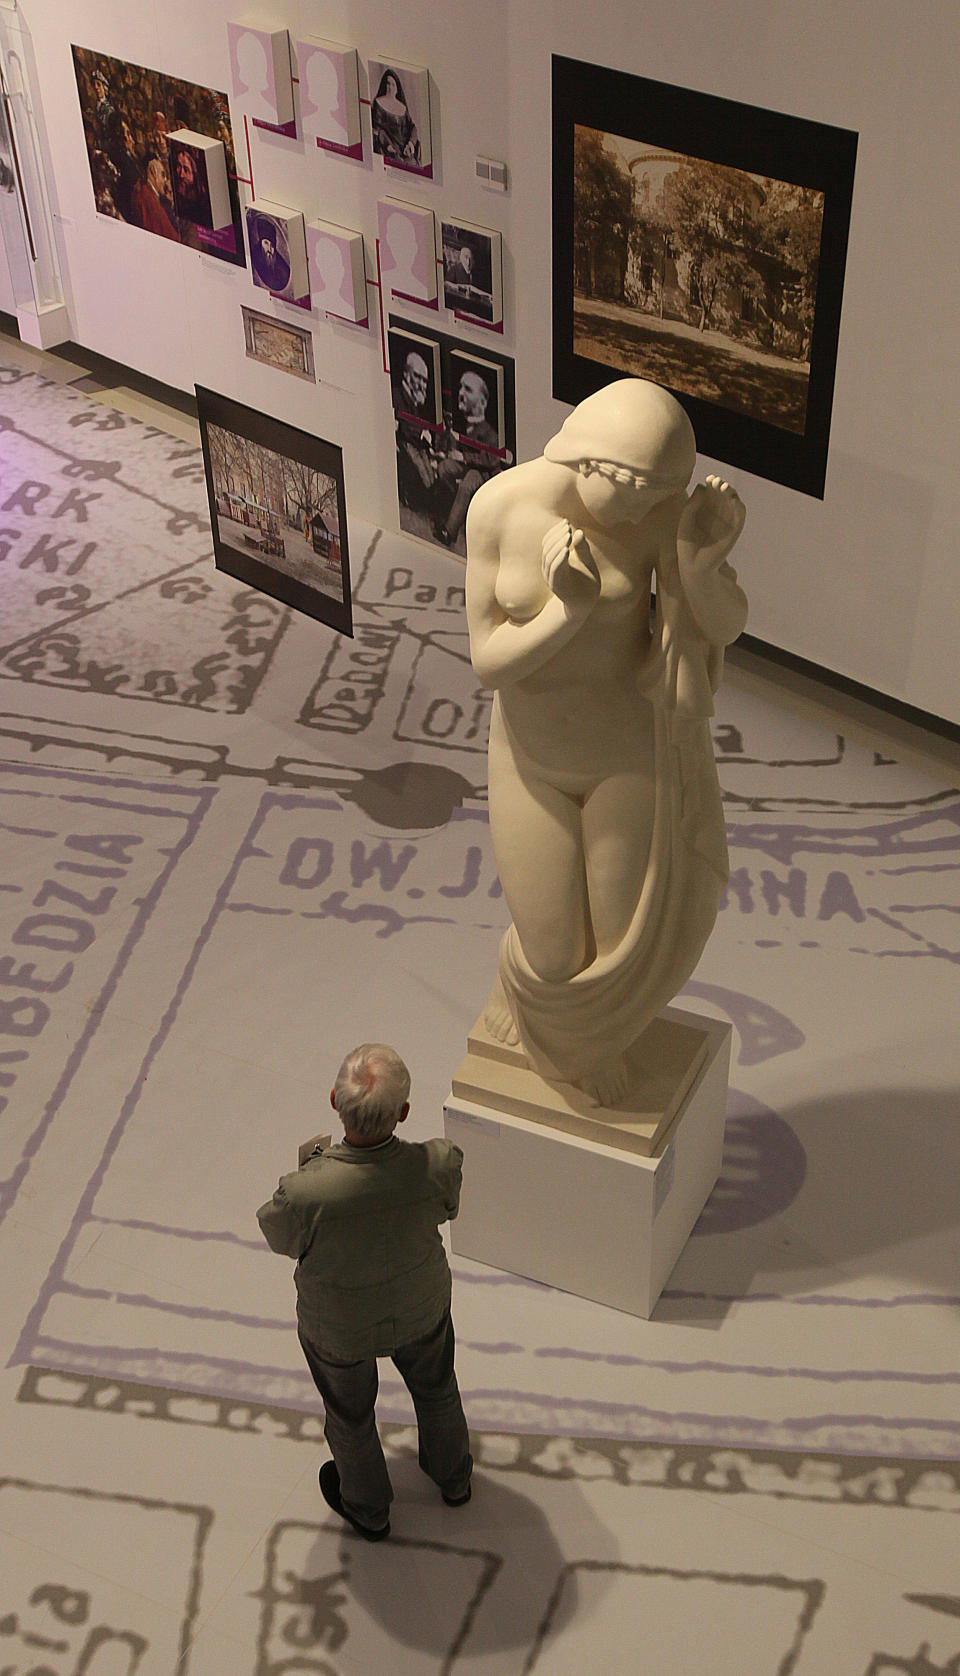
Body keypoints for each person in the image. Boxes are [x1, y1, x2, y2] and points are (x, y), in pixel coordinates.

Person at [465, 378, 748, 1106]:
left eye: (663, 494)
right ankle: (525, 994)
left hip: (626, 757)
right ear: (589, 463)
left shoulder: (653, 520)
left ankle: (583, 1047)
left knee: (625, 945)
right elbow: (488, 662)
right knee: (556, 955)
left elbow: (717, 626)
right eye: (638, 491)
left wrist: (702, 562)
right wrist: (568, 611)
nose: (651, 509)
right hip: (532, 758)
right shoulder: (501, 507)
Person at [257, 1044, 472, 1541]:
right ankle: (454, 1478)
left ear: (335, 1100)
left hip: (340, 1325)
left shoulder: (305, 1191)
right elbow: (447, 1208)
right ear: (403, 1113)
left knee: (350, 1416)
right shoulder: (438, 1163)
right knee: (438, 1387)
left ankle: (369, 1509)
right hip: (421, 1305)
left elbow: (280, 1238)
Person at [434, 370, 503, 548]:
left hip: (484, 473)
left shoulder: (490, 434)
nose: (461, 394)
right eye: (461, 388)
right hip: (466, 467)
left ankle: (449, 532)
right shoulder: (462, 423)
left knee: (468, 482)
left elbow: (491, 461)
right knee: (444, 468)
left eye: (468, 389)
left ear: (482, 402)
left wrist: (463, 456)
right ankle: (460, 513)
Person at [371, 69, 420, 164]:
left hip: (406, 149)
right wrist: (388, 145)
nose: (390, 87)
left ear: (397, 88)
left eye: (393, 84)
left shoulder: (402, 107)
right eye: (388, 83)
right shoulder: (378, 103)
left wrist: (410, 144)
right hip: (388, 149)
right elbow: (377, 130)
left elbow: (412, 127)